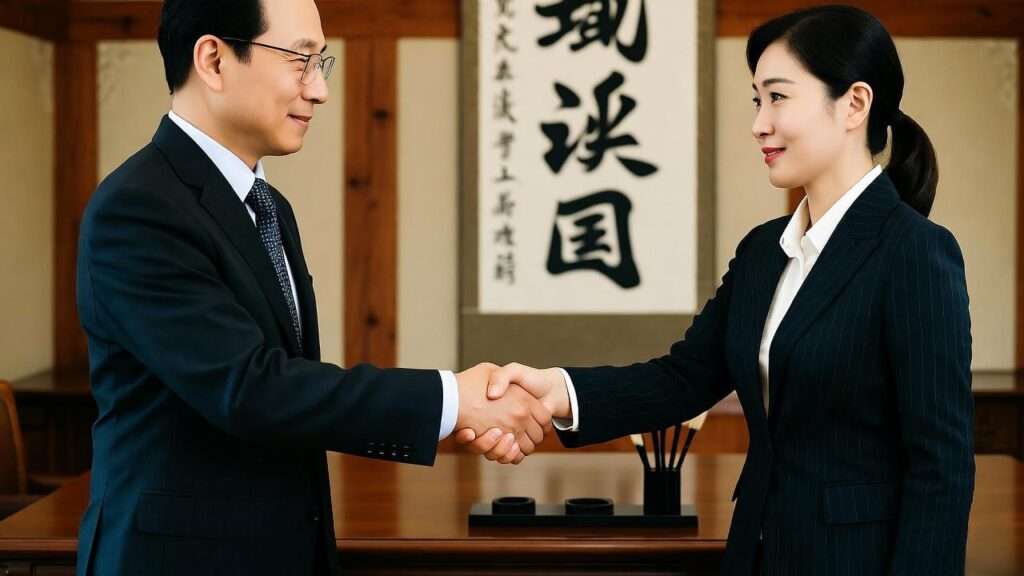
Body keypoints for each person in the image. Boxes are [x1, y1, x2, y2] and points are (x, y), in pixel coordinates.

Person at [459, 5, 974, 575]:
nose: (759, 123)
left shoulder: (915, 252)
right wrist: (554, 391)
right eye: (758, 100)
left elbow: (941, 465)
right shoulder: (763, 251)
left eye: (779, 97)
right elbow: (682, 380)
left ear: (854, 103)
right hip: (754, 553)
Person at [74, 1, 550, 574]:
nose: (319, 89)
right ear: (214, 60)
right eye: (300, 61)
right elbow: (250, 389)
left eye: (319, 63)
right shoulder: (139, 208)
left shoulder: (269, 206)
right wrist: (453, 403)